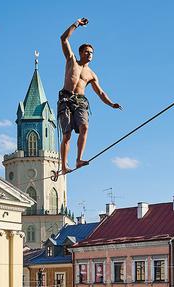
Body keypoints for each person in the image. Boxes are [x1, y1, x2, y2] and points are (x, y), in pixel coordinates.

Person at [58, 17, 122, 175]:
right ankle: (64, 165)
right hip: (66, 99)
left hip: (80, 101)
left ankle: (79, 159)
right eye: (87, 51)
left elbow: (100, 92)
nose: (89, 54)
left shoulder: (91, 74)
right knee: (67, 134)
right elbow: (63, 38)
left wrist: (111, 103)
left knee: (84, 126)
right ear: (80, 52)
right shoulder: (71, 60)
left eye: (92, 52)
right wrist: (76, 24)